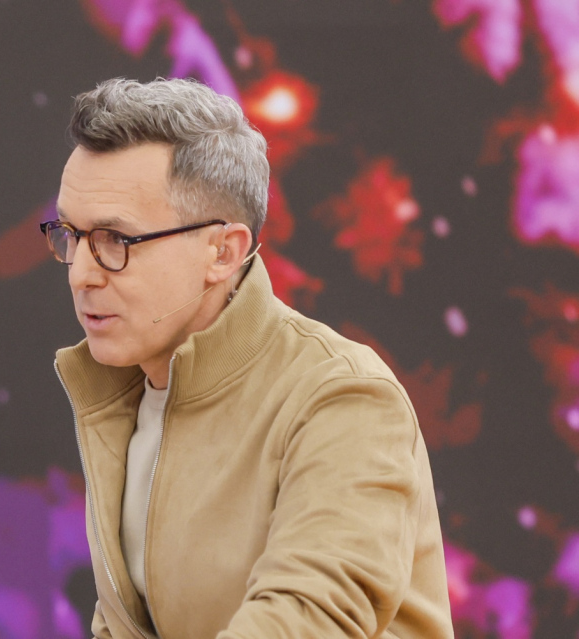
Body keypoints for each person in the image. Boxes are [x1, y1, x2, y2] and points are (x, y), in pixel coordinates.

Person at [42, 78, 453, 638]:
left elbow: (308, 618)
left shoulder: (343, 396)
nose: (81, 274)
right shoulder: (128, 395)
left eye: (116, 240)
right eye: (69, 234)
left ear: (223, 251)